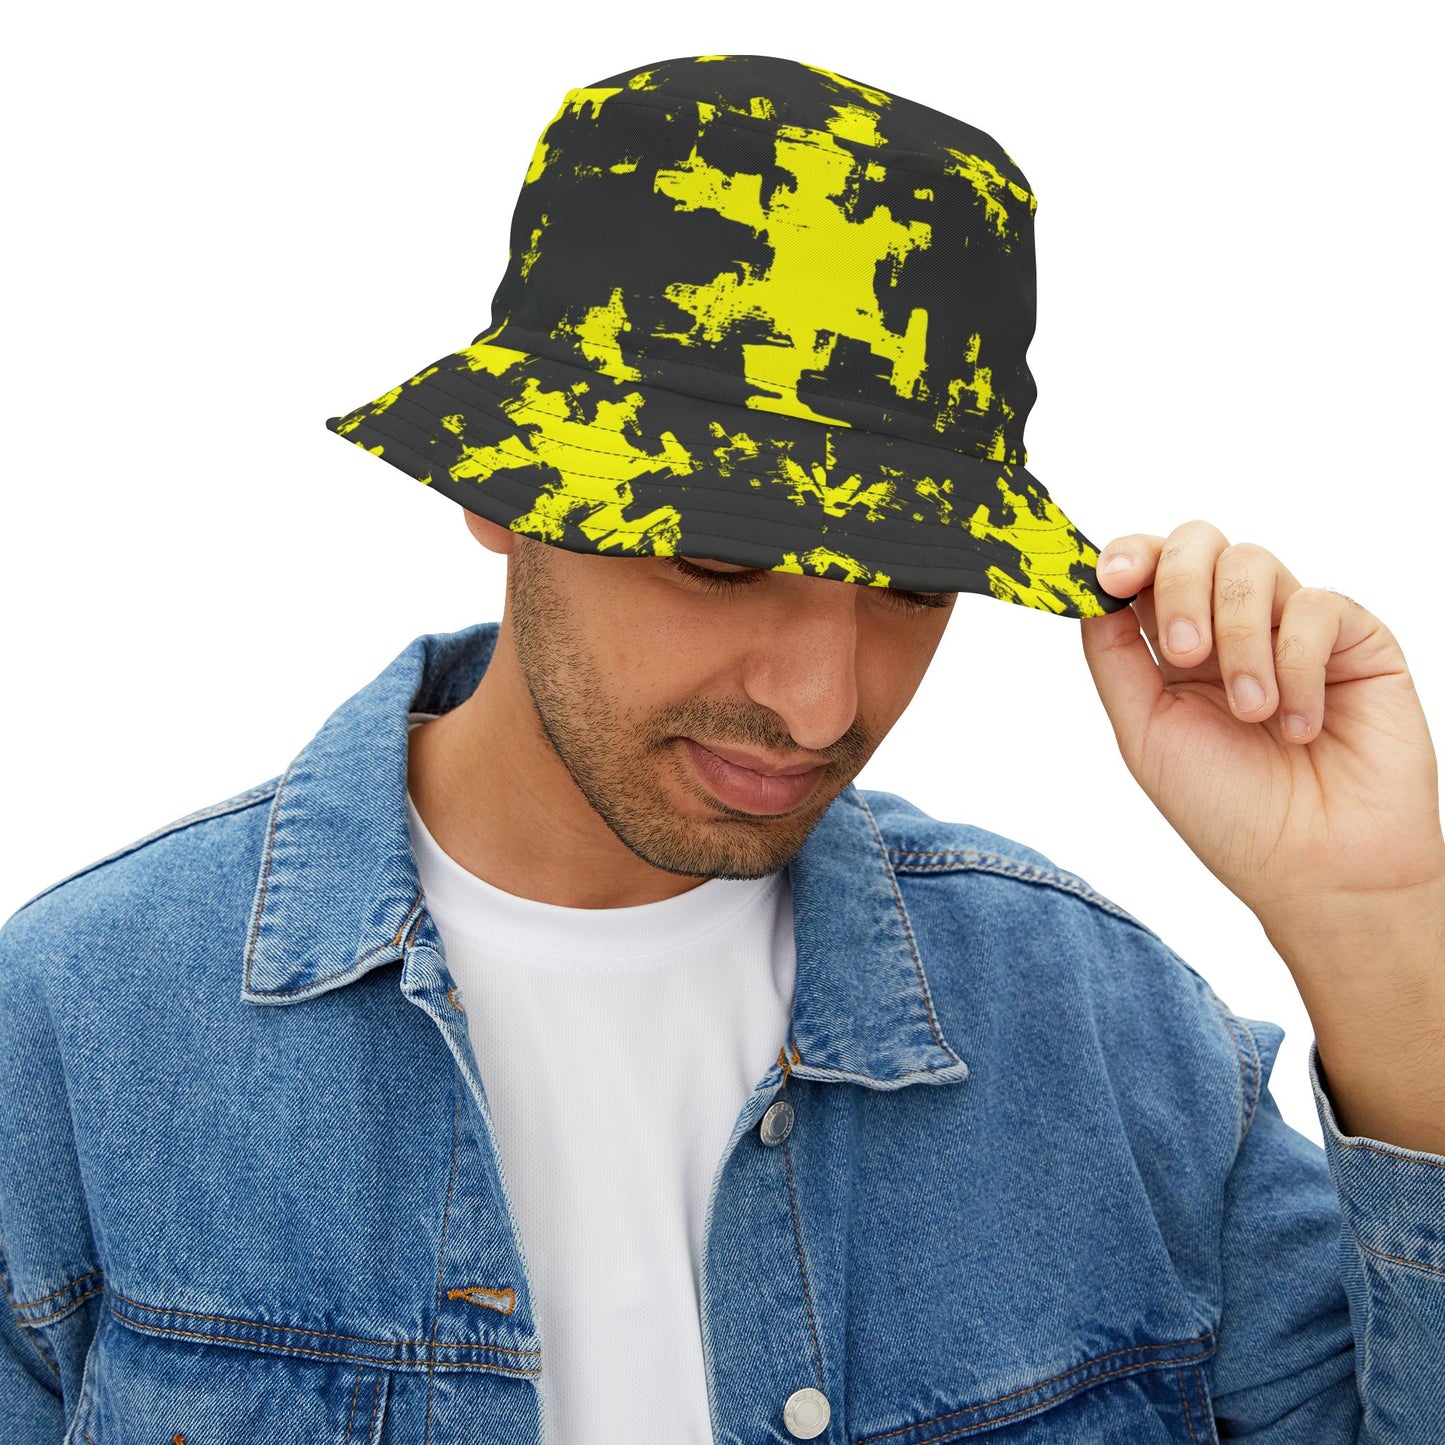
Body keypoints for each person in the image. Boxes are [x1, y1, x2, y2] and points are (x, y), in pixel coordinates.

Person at [2, 52, 1441, 1445]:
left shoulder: (1107, 1038)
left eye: (910, 586)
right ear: (499, 488)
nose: (820, 704)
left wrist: (1375, 932)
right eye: (721, 558)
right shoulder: (82, 1029)